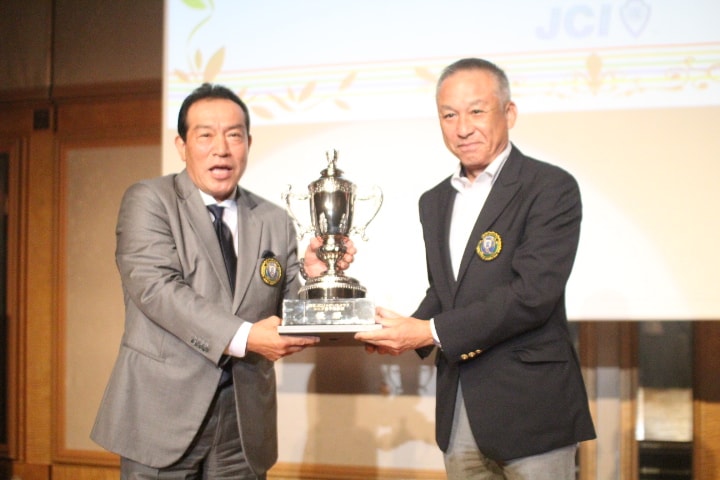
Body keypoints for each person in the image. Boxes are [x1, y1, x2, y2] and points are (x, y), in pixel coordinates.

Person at [91, 83, 354, 479]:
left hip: (242, 423)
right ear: (182, 146)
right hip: (162, 416)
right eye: (206, 135)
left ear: (248, 143)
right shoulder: (149, 200)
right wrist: (245, 337)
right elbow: (157, 290)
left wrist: (313, 276)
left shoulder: (274, 219)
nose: (222, 149)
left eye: (234, 135)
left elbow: (287, 310)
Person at [355, 58, 596, 479]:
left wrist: (427, 332)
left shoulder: (550, 187)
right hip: (459, 408)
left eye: (476, 111)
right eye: (449, 115)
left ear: (509, 113)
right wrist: (400, 330)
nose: (462, 128)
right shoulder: (434, 201)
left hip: (532, 408)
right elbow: (445, 292)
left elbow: (532, 296)